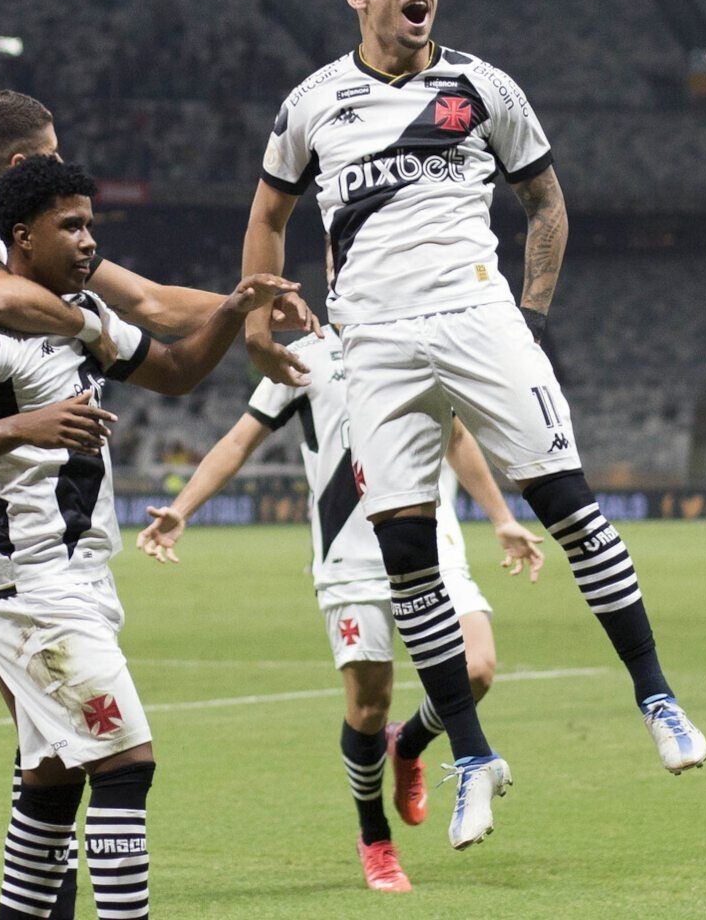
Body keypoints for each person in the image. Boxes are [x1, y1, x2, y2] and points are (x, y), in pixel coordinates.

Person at [239, 0, 706, 848]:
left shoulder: (484, 88)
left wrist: (529, 316)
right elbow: (267, 214)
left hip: (477, 317)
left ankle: (657, 697)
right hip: (371, 344)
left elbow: (546, 200)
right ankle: (473, 758)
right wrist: (256, 322)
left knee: (570, 507)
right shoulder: (311, 105)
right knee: (409, 553)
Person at [0, 89, 314, 920]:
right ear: (23, 169)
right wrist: (90, 329)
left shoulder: (60, 254)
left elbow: (160, 310)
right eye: (55, 154)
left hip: (34, 528)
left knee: (53, 749)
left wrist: (255, 309)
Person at [135, 325, 545, 891]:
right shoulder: (302, 360)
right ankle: (375, 838)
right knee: (368, 707)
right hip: (350, 561)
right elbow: (238, 441)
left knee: (477, 668)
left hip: (433, 547)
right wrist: (182, 509)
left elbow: (455, 437)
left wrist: (501, 517)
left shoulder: (420, 336)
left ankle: (412, 743)